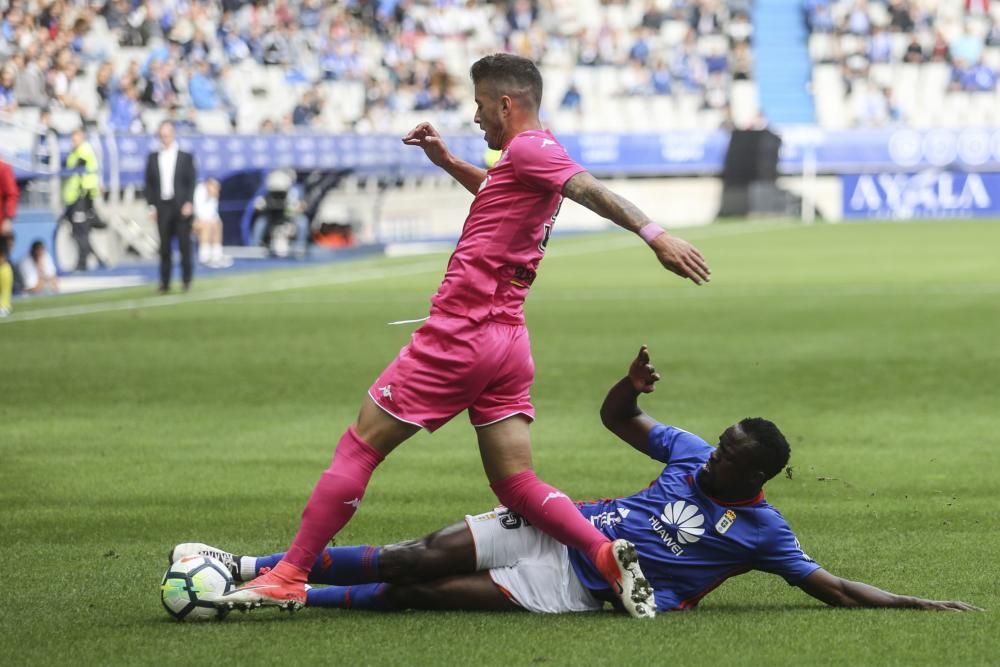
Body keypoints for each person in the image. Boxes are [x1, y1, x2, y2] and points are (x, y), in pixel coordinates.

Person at [220, 53, 710, 616]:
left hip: (461, 332)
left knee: (360, 445)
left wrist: (656, 235)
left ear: (506, 103)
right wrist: (447, 159)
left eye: (480, 105)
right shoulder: (525, 161)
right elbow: (498, 195)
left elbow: (586, 187)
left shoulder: (533, 148)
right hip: (507, 341)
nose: (475, 117)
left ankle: (289, 573)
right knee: (516, 482)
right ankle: (602, 553)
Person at [180, 347, 980, 616]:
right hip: (564, 529)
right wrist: (630, 386)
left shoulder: (762, 535)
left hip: (576, 591)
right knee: (413, 553)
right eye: (719, 443)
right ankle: (253, 569)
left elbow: (833, 587)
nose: (711, 456)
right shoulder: (688, 451)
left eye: (729, 454)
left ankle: (270, 600)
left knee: (424, 592)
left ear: (755, 472)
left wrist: (921, 602)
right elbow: (616, 419)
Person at [144, 120, 197, 293]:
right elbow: (149, 184)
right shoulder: (153, 157)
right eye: (162, 135)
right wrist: (151, 206)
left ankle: (186, 280)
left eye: (167, 135)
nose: (164, 138)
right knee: (164, 247)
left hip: (180, 205)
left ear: (173, 134)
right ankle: (164, 282)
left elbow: (191, 182)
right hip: (162, 206)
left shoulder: (185, 156)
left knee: (184, 246)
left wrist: (189, 202)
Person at [61, 129, 104, 272]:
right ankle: (96, 258)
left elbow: (82, 173)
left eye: (75, 139)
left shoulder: (83, 152)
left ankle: (83, 261)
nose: (72, 142)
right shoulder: (77, 152)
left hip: (82, 198)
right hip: (74, 198)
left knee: (81, 231)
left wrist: (87, 197)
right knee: (79, 231)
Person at [193, 178, 232, 268]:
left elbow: (214, 215)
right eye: (216, 188)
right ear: (209, 186)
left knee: (218, 223)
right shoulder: (199, 192)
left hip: (207, 221)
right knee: (207, 224)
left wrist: (214, 221)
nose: (218, 191)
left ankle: (216, 255)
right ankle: (205, 257)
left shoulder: (213, 198)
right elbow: (199, 213)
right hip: (193, 221)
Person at [0, 158, 18, 316]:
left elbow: (11, 194)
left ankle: (4, 303)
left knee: (1, 260)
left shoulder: (3, 167)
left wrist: (8, 218)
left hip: (0, 222)